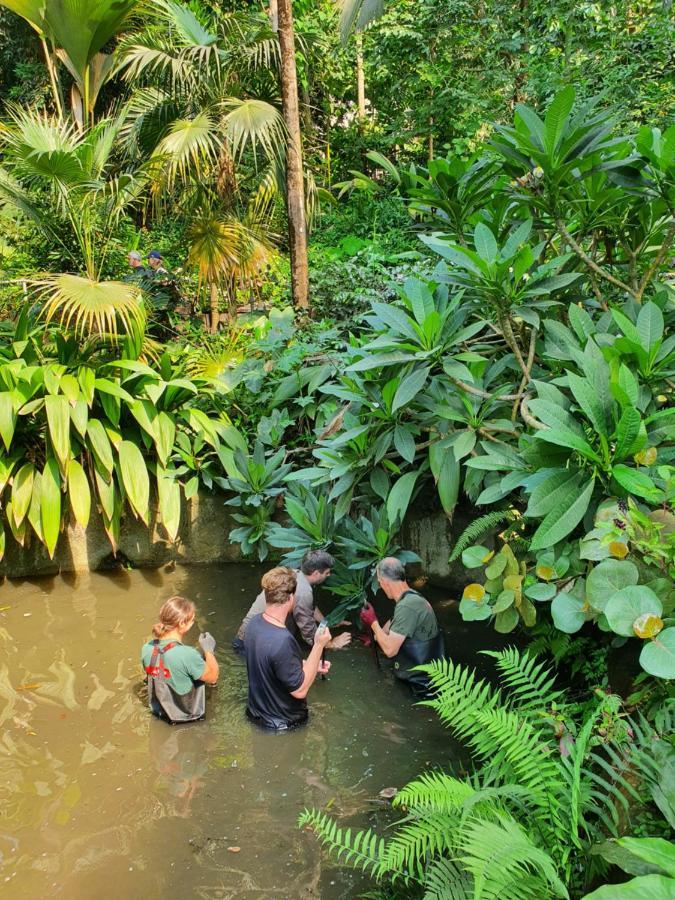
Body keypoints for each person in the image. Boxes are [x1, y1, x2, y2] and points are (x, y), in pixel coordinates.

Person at [245, 567, 332, 730]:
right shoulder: (283, 639)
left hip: (256, 715)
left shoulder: (254, 623)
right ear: (291, 597)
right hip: (282, 724)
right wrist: (319, 645)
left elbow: (273, 664)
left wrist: (310, 666)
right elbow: (300, 690)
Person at [233, 550, 351, 653]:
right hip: (252, 646)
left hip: (249, 636)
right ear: (315, 573)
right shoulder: (304, 592)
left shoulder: (295, 574)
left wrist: (327, 622)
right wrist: (331, 644)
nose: (329, 575)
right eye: (326, 573)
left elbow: (310, 608)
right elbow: (308, 631)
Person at [360, 557, 444, 694]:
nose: (380, 587)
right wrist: (375, 638)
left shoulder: (407, 607)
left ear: (385, 583)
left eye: (380, 583)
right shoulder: (412, 597)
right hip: (431, 676)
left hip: (421, 687)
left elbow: (389, 650)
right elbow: (394, 623)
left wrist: (373, 622)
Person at [141, 596, 219, 723]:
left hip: (161, 715)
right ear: (182, 623)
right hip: (188, 719)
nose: (193, 623)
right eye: (192, 620)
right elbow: (213, 677)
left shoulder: (147, 648)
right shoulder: (188, 654)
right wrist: (208, 650)